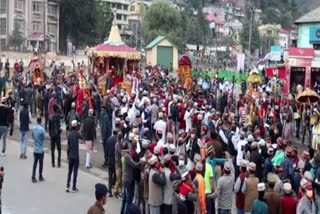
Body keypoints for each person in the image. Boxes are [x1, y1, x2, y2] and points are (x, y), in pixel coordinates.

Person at [66, 120, 82, 193]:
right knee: (75, 172)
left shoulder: (69, 134)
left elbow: (68, 146)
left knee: (69, 171)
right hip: (76, 155)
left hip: (70, 155)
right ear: (76, 126)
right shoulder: (77, 134)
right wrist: (80, 129)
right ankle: (73, 187)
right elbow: (82, 137)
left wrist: (67, 154)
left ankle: (67, 186)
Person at [31, 117, 48, 183]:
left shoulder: (33, 128)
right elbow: (45, 137)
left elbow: (32, 136)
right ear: (40, 121)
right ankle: (40, 176)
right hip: (40, 149)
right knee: (41, 163)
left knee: (35, 163)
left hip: (35, 149)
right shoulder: (42, 129)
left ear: (36, 121)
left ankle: (33, 176)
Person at [106, 129, 118, 197]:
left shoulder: (109, 139)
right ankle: (115, 191)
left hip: (110, 160)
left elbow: (107, 150)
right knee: (115, 176)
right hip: (115, 161)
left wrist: (107, 159)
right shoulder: (116, 141)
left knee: (110, 176)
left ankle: (109, 191)